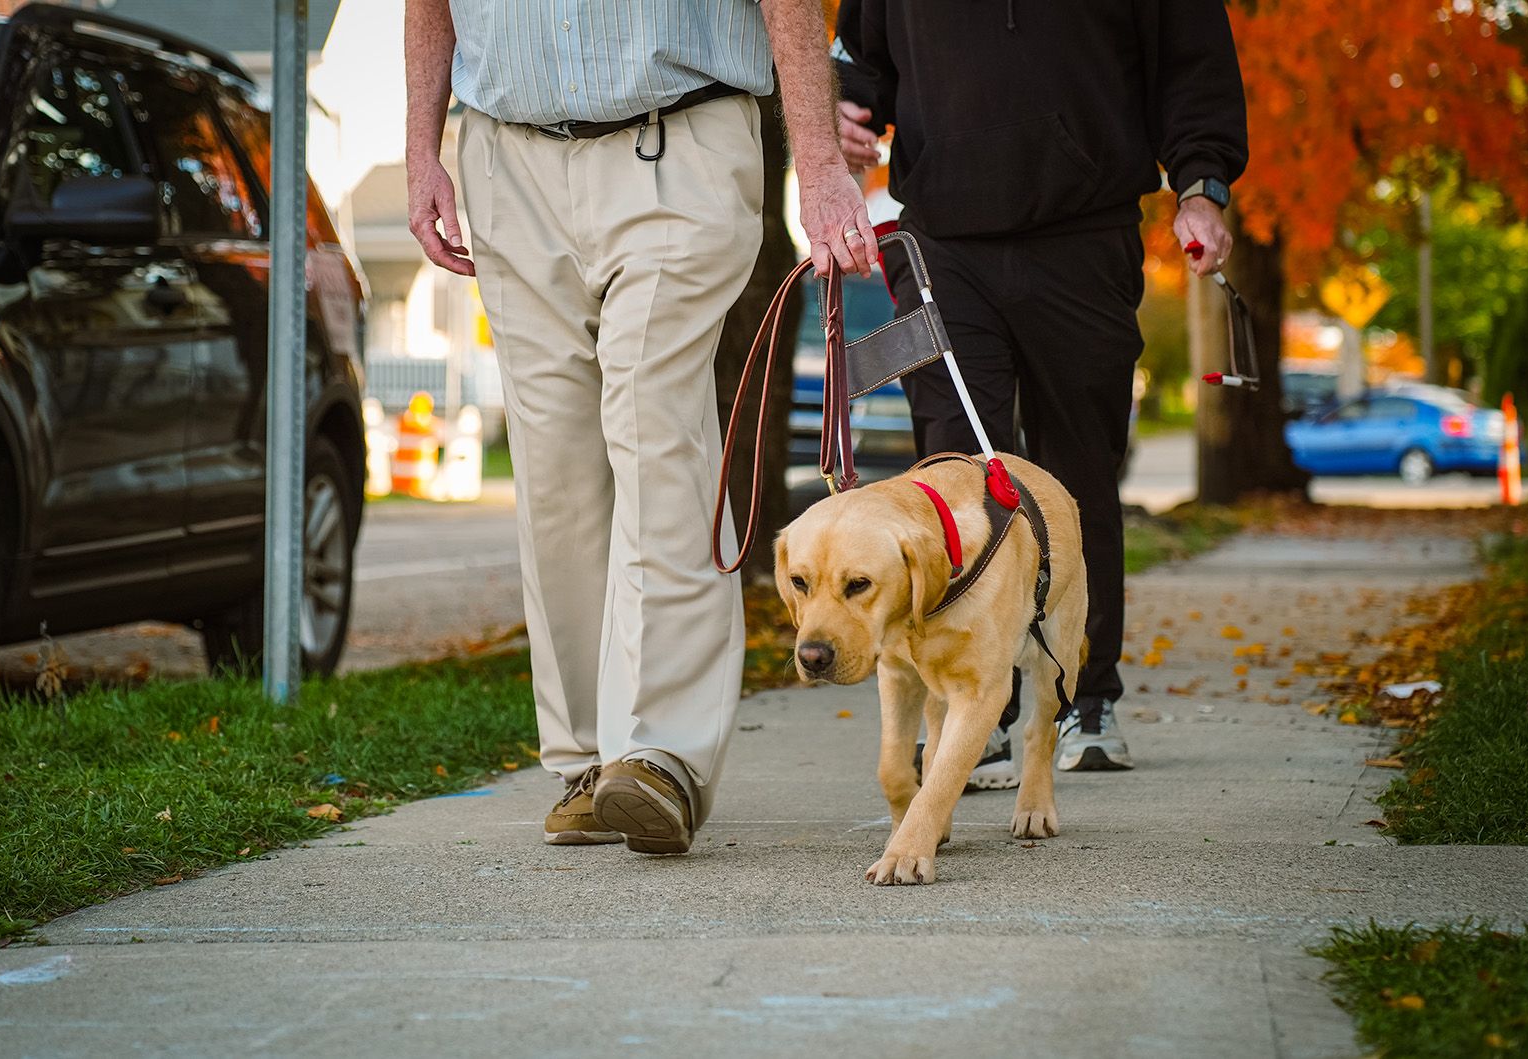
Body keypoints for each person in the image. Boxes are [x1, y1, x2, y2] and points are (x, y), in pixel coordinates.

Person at [406, 0, 876, 854]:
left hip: (680, 139)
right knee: (553, 470)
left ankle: (661, 752)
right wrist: (420, 151)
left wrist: (816, 161)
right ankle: (589, 759)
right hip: (506, 160)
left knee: (653, 427)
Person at [834, 0, 1248, 776]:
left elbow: (1193, 67)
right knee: (956, 479)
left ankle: (1083, 696)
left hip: (1084, 234)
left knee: (1076, 477)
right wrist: (845, 111)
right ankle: (976, 706)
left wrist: (1200, 188)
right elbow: (860, 56)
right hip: (942, 241)